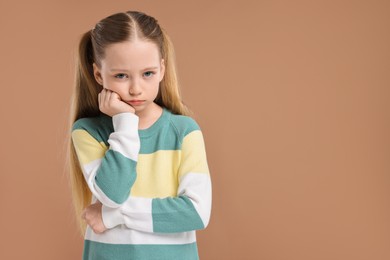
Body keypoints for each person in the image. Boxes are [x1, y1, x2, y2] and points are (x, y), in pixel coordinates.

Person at [68, 10, 212, 260]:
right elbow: (113, 194)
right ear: (99, 74)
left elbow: (196, 213)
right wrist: (125, 122)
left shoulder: (184, 132)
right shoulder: (88, 132)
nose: (136, 88)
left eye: (148, 73)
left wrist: (112, 215)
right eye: (121, 75)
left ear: (162, 69)